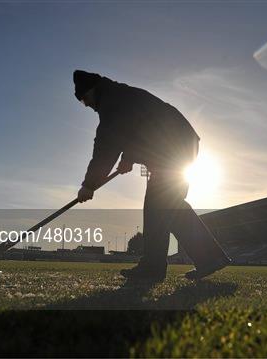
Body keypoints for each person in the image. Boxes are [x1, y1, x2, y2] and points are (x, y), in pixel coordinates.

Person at [74, 70, 231, 282]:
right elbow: (140, 127)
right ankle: (209, 257)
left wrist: (89, 185)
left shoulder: (111, 104)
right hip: (180, 143)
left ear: (91, 90)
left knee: (157, 207)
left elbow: (105, 147)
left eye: (84, 99)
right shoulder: (120, 96)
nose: (86, 105)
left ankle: (153, 268)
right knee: (170, 207)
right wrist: (129, 157)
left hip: (171, 148)